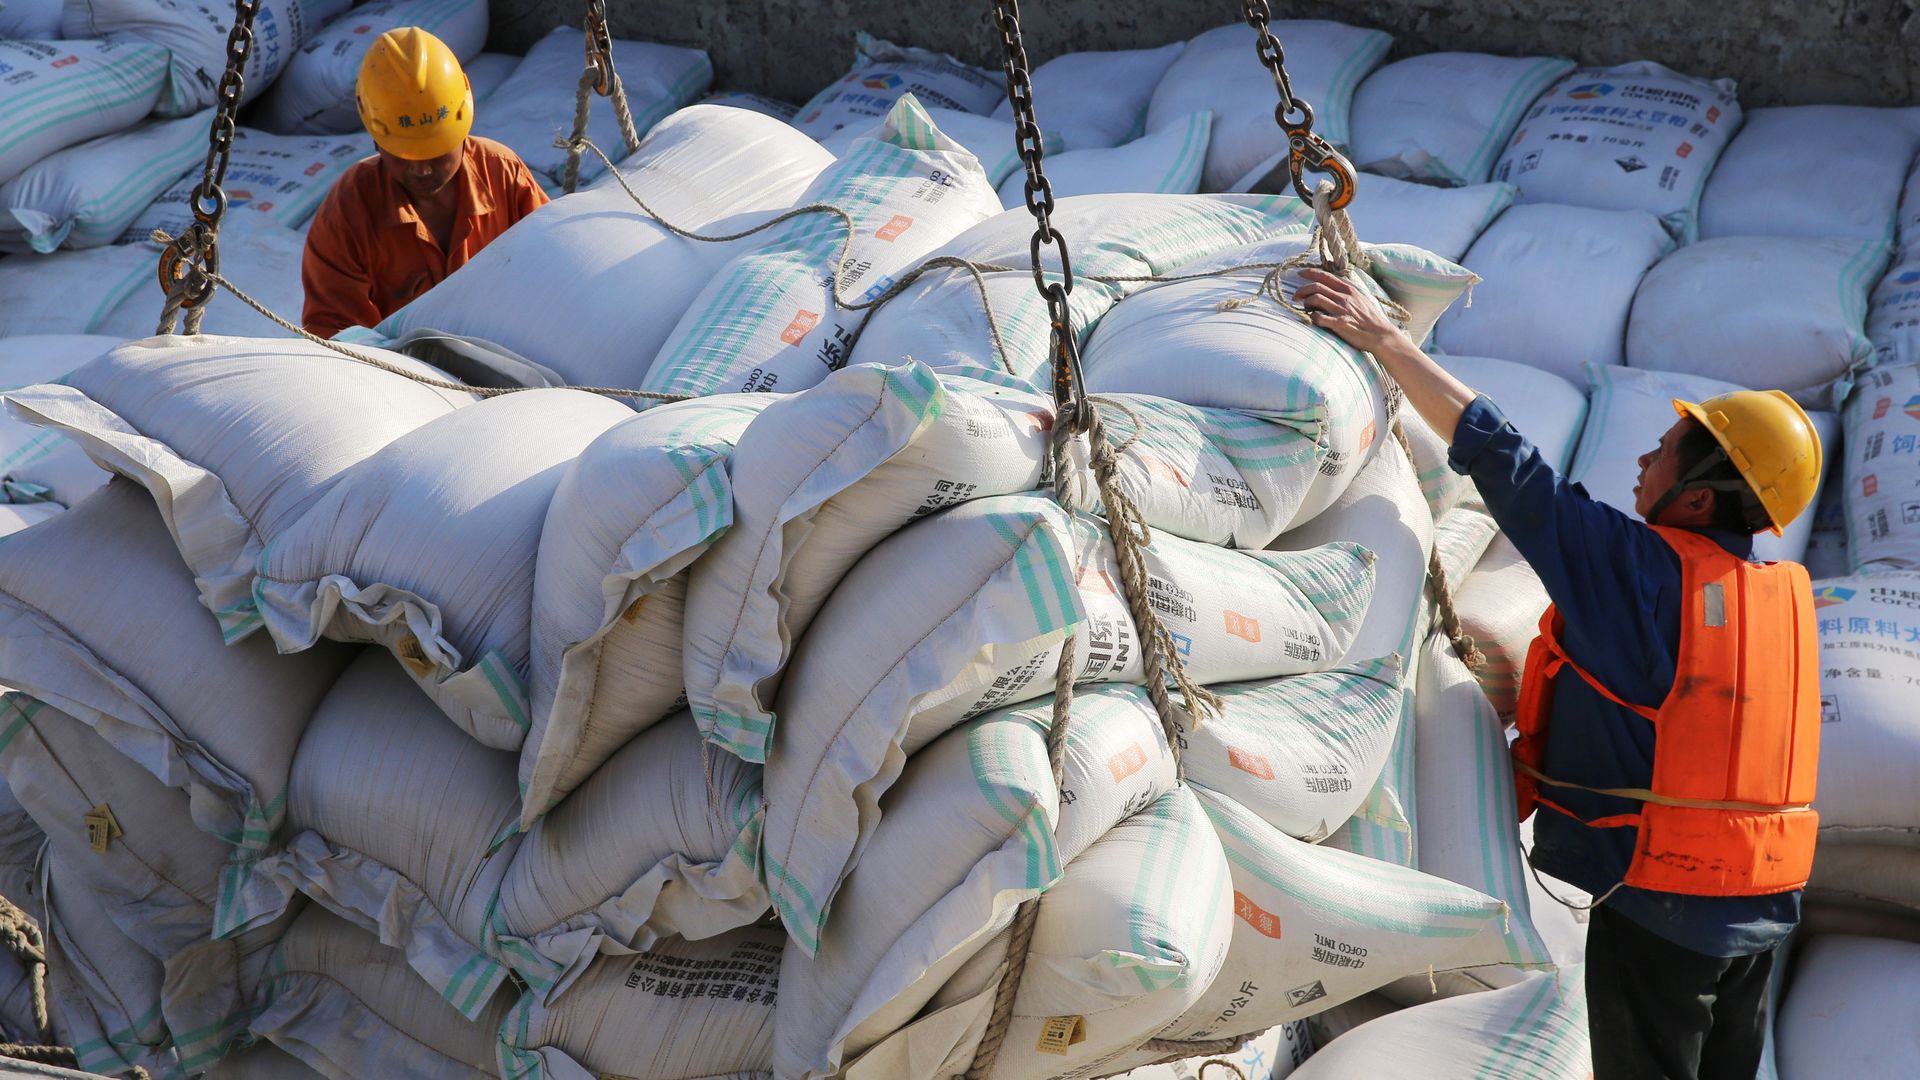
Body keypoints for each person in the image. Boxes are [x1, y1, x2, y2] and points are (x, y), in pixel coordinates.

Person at [1295, 266, 1822, 1080]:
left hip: (1665, 907)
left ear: (1700, 499)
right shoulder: (1777, 596)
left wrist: (1386, 340)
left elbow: (1506, 465)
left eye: (1668, 449)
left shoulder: (1638, 572)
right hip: (1761, 902)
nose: (1645, 455)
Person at [301, 27, 549, 339]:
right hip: (401, 379)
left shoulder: (502, 174)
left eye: (435, 153)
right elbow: (335, 335)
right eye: (404, 155)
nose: (422, 170)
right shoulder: (349, 212)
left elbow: (552, 272)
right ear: (376, 139)